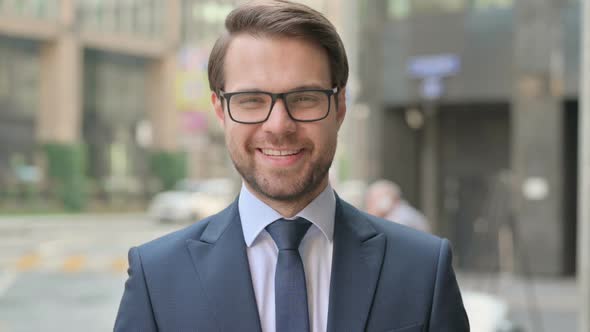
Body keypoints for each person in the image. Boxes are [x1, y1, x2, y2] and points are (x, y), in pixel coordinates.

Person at [114, 1, 469, 331]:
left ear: (340, 106)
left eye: (304, 98)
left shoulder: (423, 269)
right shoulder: (156, 278)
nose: (279, 125)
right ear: (220, 110)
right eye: (251, 100)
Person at [365, 179, 431, 233]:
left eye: (372, 201)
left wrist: (376, 213)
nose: (369, 205)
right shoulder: (396, 213)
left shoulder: (403, 216)